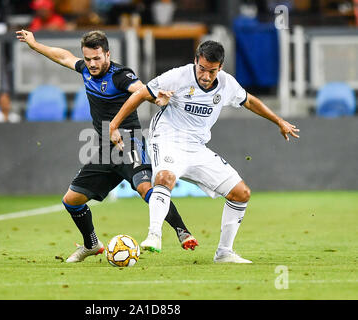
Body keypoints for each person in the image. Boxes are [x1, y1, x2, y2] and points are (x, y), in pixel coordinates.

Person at [16, 29, 198, 262]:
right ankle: (91, 244)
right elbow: (63, 56)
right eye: (88, 59)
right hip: (105, 148)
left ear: (108, 54)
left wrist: (155, 97)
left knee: (144, 188)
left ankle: (182, 231)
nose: (91, 64)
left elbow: (140, 89)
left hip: (128, 141)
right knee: (71, 200)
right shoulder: (86, 69)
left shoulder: (120, 75)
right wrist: (34, 44)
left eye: (97, 58)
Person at [109, 40, 300, 262]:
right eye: (202, 69)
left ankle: (224, 252)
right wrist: (114, 125)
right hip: (168, 138)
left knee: (241, 194)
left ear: (220, 67)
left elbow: (249, 101)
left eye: (212, 71)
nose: (206, 76)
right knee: (164, 178)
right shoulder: (177, 76)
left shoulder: (227, 84)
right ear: (195, 61)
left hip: (197, 148)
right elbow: (140, 94)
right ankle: (154, 235)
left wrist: (278, 121)